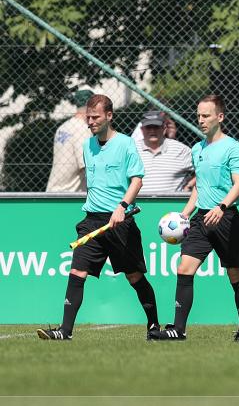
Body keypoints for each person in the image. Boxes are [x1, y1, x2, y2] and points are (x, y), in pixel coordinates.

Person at [38, 94, 159, 341]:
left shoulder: (125, 144)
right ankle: (65, 331)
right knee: (77, 272)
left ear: (109, 116)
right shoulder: (87, 145)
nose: (90, 121)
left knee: (134, 276)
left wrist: (122, 207)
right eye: (88, 117)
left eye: (95, 117)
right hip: (92, 221)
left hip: (120, 221)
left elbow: (137, 180)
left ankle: (154, 325)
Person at [149, 95, 239, 342]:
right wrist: (186, 212)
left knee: (235, 275)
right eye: (198, 116)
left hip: (225, 218)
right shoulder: (197, 149)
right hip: (201, 220)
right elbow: (200, 187)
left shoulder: (232, 147)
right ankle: (178, 329)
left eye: (206, 116)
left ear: (220, 117)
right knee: (184, 268)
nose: (201, 120)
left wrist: (222, 206)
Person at [46, 89, 93, 192]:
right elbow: (87, 166)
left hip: (53, 190)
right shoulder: (82, 129)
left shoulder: (62, 127)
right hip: (70, 194)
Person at [136, 110, 193, 195]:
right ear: (142, 129)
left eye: (156, 127)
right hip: (137, 204)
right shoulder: (131, 149)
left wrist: (189, 185)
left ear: (164, 128)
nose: (152, 131)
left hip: (172, 205)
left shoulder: (181, 150)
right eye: (148, 127)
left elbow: (204, 169)